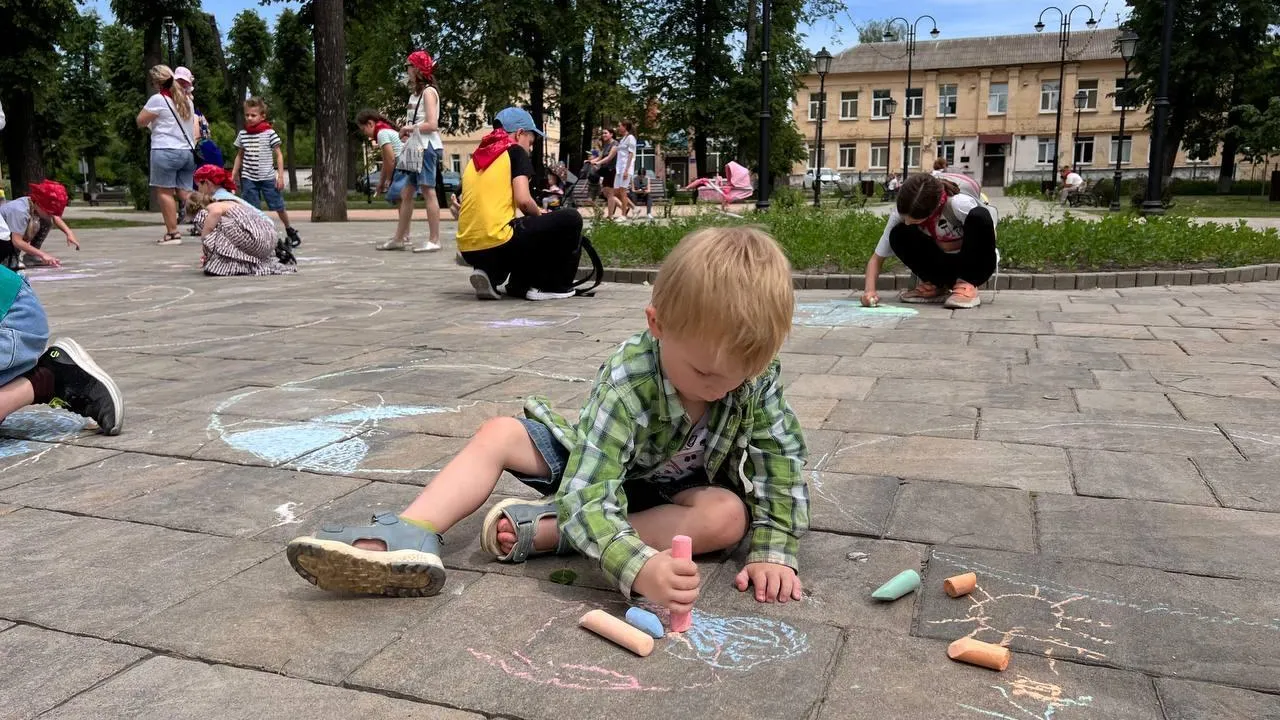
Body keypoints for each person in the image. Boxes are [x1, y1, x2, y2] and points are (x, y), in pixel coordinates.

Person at [286, 225, 808, 610]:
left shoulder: (755, 377)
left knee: (728, 518)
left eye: (738, 375)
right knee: (499, 433)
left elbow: (778, 460)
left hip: (672, 496)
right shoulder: (630, 379)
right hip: (596, 470)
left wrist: (774, 550)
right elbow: (592, 486)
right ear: (658, 325)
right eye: (701, 371)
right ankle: (412, 532)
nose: (719, 386)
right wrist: (639, 566)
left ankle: (553, 532)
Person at [0, 210, 123, 435]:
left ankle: (49, 378)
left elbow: (12, 240)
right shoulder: (20, 210)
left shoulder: (22, 211)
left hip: (12, 316)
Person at [451, 107, 585, 301]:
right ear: (519, 133)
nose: (530, 149)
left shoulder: (477, 157)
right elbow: (523, 201)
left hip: (468, 248)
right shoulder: (514, 151)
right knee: (571, 218)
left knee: (516, 229)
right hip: (498, 242)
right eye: (530, 143)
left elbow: (459, 201)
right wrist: (540, 214)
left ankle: (491, 273)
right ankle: (552, 286)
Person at [860, 172, 998, 310]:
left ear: (934, 209)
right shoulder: (902, 211)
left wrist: (948, 245)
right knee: (898, 233)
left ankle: (967, 285)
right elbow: (877, 258)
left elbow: (986, 238)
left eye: (914, 221)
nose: (908, 222)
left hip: (975, 266)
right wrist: (869, 291)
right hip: (944, 266)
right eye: (905, 218)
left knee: (979, 215)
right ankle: (938, 285)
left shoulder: (958, 203)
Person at [377, 51, 445, 253]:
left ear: (417, 69)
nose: (407, 70)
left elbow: (432, 124)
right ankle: (400, 238)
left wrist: (409, 129)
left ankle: (435, 239)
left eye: (409, 66)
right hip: (417, 146)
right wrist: (409, 130)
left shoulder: (428, 93)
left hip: (426, 147)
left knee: (427, 190)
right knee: (407, 192)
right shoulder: (416, 94)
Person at [136, 65, 197, 245]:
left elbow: (140, 121)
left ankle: (172, 233)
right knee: (186, 194)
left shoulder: (158, 99)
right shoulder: (187, 100)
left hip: (165, 150)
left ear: (156, 82)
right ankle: (208, 222)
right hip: (187, 152)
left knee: (165, 192)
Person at [233, 98, 302, 248]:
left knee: (278, 205)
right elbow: (239, 155)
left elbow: (279, 155)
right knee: (253, 209)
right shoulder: (243, 134)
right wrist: (233, 175)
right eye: (247, 115)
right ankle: (258, 235)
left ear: (262, 116)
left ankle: (289, 229)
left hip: (267, 177)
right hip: (249, 178)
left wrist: (281, 177)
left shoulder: (269, 133)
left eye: (253, 115)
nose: (249, 118)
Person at [187, 191, 297, 277]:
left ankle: (223, 264)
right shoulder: (229, 202)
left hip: (256, 239)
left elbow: (215, 213)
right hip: (270, 239)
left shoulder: (212, 207)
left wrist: (205, 240)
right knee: (219, 224)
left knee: (204, 220)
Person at [1, 181, 78, 270]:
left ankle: (30, 257)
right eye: (48, 212)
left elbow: (54, 217)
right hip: (3, 240)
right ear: (40, 204)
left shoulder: (33, 203)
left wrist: (69, 233)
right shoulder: (20, 211)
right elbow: (17, 241)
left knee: (47, 221)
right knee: (33, 224)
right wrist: (43, 255)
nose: (50, 215)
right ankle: (8, 259)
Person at [356, 109, 404, 203]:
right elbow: (386, 162)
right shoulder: (384, 131)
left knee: (397, 197)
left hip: (401, 166)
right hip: (403, 165)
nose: (364, 133)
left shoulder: (381, 134)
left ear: (370, 123)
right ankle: (403, 217)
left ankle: (403, 218)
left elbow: (391, 160)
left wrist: (388, 179)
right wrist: (381, 183)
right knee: (399, 198)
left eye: (363, 129)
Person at [610, 120, 637, 219]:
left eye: (619, 126)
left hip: (626, 168)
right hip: (619, 169)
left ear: (625, 127)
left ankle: (623, 215)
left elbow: (631, 154)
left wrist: (626, 170)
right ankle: (634, 208)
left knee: (623, 191)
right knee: (616, 192)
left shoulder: (631, 138)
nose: (618, 128)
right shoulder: (622, 140)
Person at [590, 128, 618, 215]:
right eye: (603, 133)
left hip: (612, 170)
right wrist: (591, 161)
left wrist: (598, 163)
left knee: (610, 193)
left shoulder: (615, 144)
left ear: (611, 134)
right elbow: (600, 156)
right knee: (606, 192)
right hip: (606, 171)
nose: (603, 135)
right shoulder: (606, 145)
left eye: (606, 133)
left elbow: (609, 158)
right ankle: (611, 214)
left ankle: (610, 216)